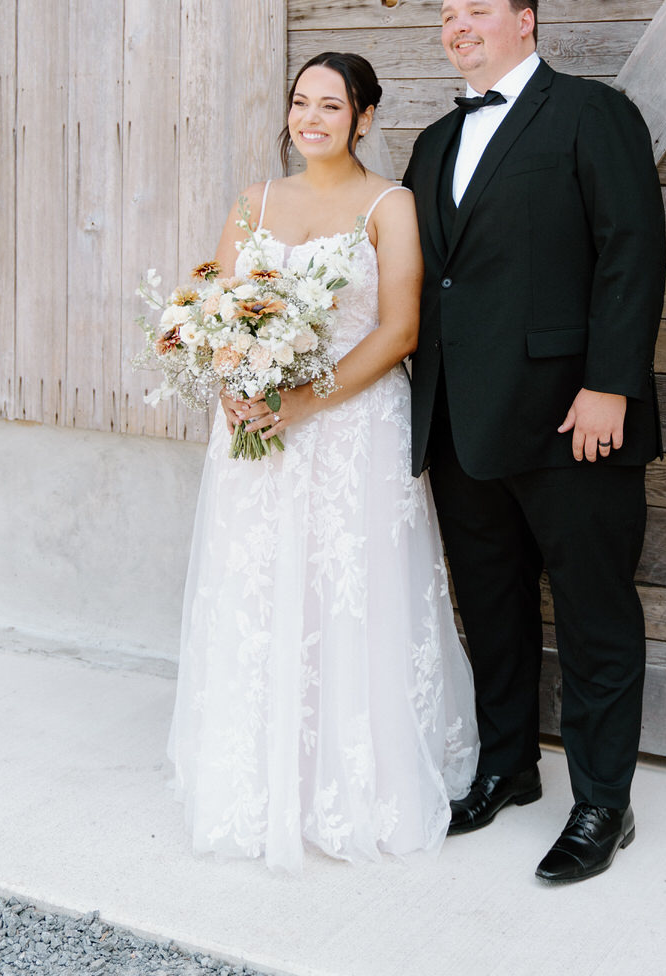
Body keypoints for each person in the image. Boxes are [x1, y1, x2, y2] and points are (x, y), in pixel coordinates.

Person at [168, 52, 478, 874]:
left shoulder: (390, 204)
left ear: (364, 117)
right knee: (263, 589)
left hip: (351, 431)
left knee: (349, 592)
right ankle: (265, 780)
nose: (311, 118)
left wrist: (304, 402)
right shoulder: (254, 201)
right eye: (301, 102)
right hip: (258, 432)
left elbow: (399, 329)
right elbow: (221, 310)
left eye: (331, 105)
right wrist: (233, 385)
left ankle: (353, 781)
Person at [403, 0, 665, 885]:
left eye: (476, 10)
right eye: (446, 15)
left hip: (571, 418)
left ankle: (602, 802)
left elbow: (630, 250)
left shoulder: (591, 114)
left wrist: (610, 384)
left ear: (525, 22)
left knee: (594, 613)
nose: (457, 26)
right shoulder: (435, 140)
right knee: (494, 610)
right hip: (461, 425)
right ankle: (508, 769)